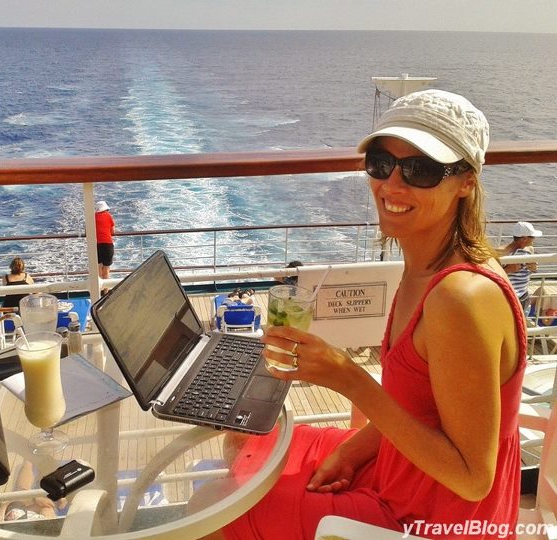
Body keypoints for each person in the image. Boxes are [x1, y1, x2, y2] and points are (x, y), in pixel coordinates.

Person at [208, 90, 525, 540]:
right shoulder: (426, 265)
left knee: (220, 513)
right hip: (401, 469)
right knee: (244, 440)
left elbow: (473, 481)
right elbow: (424, 410)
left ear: (466, 182)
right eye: (381, 163)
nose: (392, 185)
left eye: (420, 170)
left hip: (431, 517)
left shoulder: (460, 297)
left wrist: (349, 378)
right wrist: (353, 453)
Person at [501, 221, 542, 316]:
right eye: (533, 237)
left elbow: (533, 270)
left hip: (524, 296)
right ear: (524, 238)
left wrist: (534, 268)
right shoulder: (503, 253)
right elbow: (492, 275)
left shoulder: (530, 249)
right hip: (509, 298)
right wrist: (508, 270)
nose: (534, 239)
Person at [94, 200, 115, 286]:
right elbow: (113, 231)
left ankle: (99, 289)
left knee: (98, 267)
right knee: (106, 269)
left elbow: (87, 231)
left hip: (96, 244)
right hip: (107, 244)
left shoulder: (93, 217)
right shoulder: (108, 216)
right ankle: (105, 291)